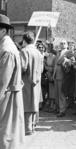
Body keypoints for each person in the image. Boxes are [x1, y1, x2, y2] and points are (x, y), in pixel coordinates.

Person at [0, 14, 25, 149]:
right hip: (8, 94)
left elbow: (2, 82)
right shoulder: (5, 46)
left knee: (6, 133)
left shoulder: (6, 50)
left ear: (3, 31)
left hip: (7, 97)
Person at [20, 32, 44, 135]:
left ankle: (27, 128)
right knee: (34, 104)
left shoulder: (24, 51)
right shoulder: (38, 52)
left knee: (26, 104)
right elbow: (42, 69)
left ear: (24, 40)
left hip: (26, 81)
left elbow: (23, 67)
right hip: (36, 82)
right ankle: (33, 126)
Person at [53, 40, 69, 117]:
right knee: (57, 93)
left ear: (67, 45)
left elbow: (71, 62)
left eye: (64, 43)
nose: (62, 45)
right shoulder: (58, 52)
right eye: (61, 43)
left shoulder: (68, 52)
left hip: (63, 75)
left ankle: (62, 110)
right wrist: (53, 74)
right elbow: (55, 64)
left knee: (61, 94)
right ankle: (58, 108)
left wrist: (66, 61)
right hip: (56, 74)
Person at [45, 43, 57, 112]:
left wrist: (52, 75)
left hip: (52, 74)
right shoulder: (48, 56)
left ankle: (53, 106)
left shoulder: (54, 57)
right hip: (48, 74)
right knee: (50, 91)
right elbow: (46, 65)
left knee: (53, 91)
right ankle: (51, 104)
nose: (47, 49)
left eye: (48, 47)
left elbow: (54, 67)